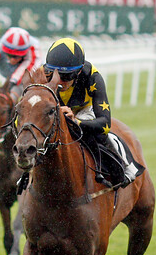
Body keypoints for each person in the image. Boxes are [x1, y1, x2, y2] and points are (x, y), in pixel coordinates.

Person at [42, 37, 138, 188]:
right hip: (51, 111)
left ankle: (125, 165)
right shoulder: (41, 75)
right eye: (54, 74)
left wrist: (77, 122)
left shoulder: (92, 77)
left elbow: (105, 123)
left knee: (98, 134)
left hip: (83, 111)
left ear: (79, 72)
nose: (60, 81)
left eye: (67, 76)